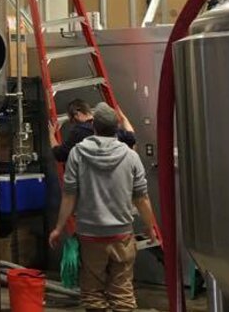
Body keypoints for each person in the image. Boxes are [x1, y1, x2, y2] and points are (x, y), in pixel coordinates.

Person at [49, 103, 158, 311]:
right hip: (122, 235)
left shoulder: (77, 154)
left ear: (94, 127)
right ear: (116, 127)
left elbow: (69, 195)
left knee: (92, 294)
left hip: (90, 235)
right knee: (122, 293)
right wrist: (150, 226)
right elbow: (142, 198)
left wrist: (58, 228)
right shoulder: (130, 156)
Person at [49, 98, 136, 163]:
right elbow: (132, 137)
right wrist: (123, 118)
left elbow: (59, 155)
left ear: (78, 114)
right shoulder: (107, 125)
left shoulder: (79, 131)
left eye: (72, 121)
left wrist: (51, 134)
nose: (74, 124)